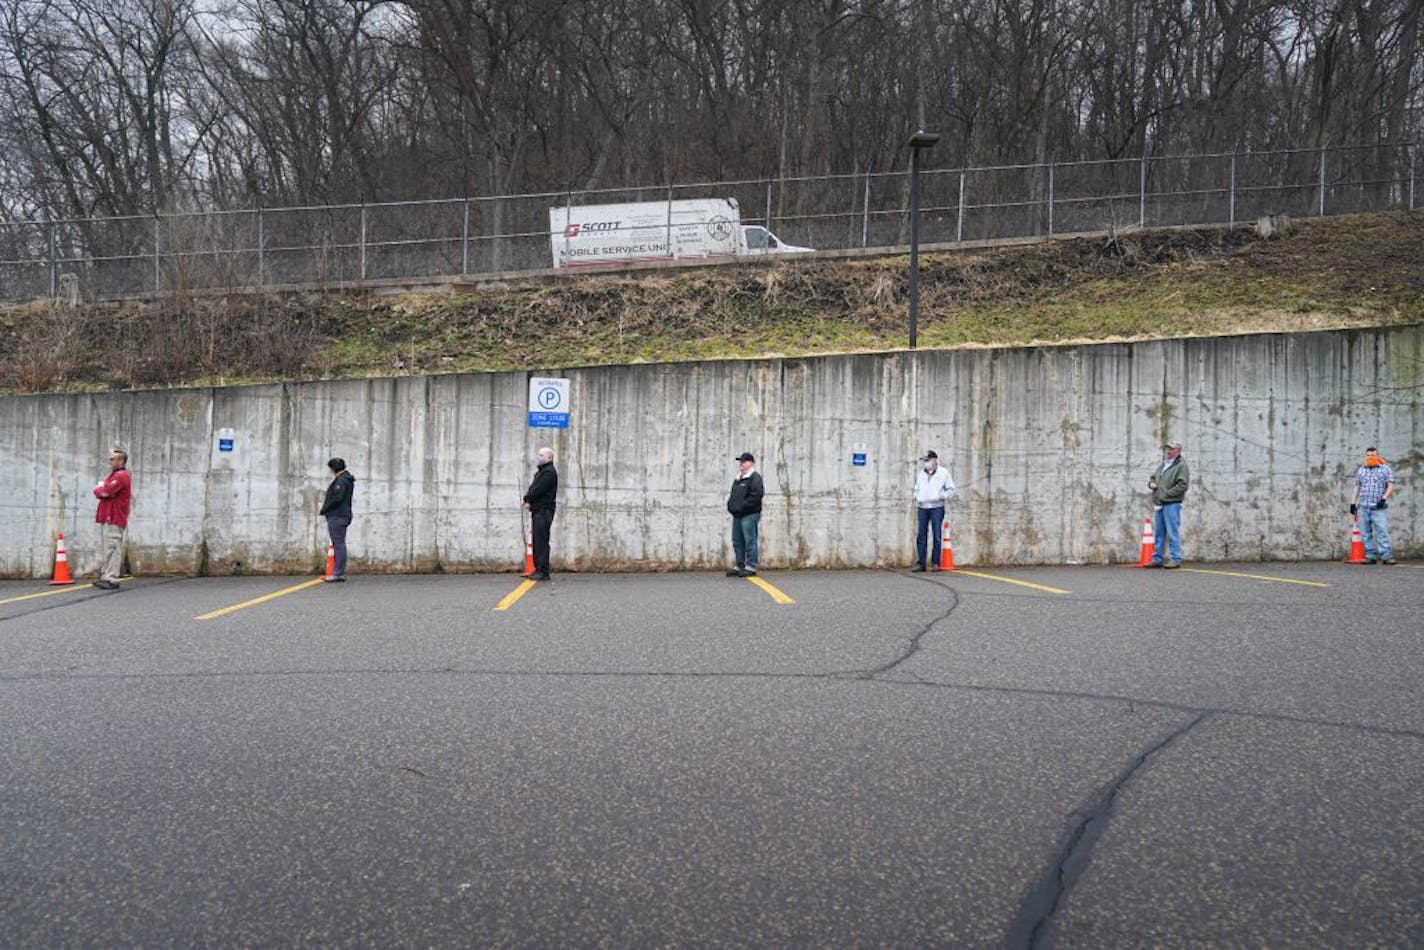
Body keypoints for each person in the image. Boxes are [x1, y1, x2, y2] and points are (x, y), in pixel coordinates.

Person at [91, 448, 131, 590]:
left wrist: (99, 489)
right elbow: (105, 490)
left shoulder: (121, 476)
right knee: (108, 547)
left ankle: (111, 578)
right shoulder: (115, 475)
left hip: (114, 517)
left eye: (113, 459)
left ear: (121, 460)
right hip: (109, 516)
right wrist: (101, 489)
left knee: (112, 548)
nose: (110, 461)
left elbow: (106, 491)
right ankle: (107, 575)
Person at [1350, 447, 1397, 565]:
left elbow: (1391, 485)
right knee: (1365, 533)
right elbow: (1357, 487)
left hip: (1378, 507)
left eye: (1373, 455)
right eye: (1368, 455)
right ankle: (1370, 556)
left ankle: (1387, 556)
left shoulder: (1385, 469)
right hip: (1363, 506)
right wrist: (1352, 503)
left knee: (1382, 531)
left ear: (1377, 456)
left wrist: (1384, 498)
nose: (1370, 457)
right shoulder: (1361, 470)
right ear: (1365, 457)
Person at [912, 450, 957, 571]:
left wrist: (942, 496)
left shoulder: (943, 473)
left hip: (937, 507)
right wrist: (916, 496)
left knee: (937, 534)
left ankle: (935, 563)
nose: (925, 463)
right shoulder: (921, 474)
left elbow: (951, 489)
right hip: (922, 507)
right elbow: (916, 488)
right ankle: (921, 563)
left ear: (934, 460)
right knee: (921, 535)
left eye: (927, 460)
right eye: (924, 461)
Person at [1147, 441, 1190, 568]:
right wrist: (1151, 484)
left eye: (1171, 449)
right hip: (1160, 503)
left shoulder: (1181, 466)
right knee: (1159, 533)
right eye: (1167, 449)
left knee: (1172, 532)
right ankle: (1157, 559)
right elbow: (1153, 478)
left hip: (1171, 503)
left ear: (1178, 451)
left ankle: (1175, 559)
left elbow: (1183, 485)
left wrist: (1166, 494)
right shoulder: (1163, 465)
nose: (1168, 451)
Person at [522, 447, 558, 580]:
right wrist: (529, 500)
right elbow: (535, 488)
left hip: (544, 511)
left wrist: (527, 498)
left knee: (541, 541)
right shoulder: (542, 472)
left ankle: (543, 572)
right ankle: (538, 569)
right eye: (539, 454)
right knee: (538, 540)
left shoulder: (549, 472)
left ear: (549, 458)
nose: (539, 457)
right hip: (539, 509)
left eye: (542, 455)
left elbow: (538, 489)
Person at [726, 452, 764, 577]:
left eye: (744, 461)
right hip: (737, 515)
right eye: (740, 461)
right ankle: (739, 566)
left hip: (750, 514)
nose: (741, 464)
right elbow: (733, 496)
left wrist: (741, 507)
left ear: (751, 463)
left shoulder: (755, 477)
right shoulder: (738, 478)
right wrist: (731, 506)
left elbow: (756, 496)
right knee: (737, 541)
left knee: (749, 540)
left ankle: (751, 566)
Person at [319, 458, 356, 582]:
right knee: (339, 544)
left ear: (333, 468)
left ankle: (337, 573)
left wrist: (326, 508)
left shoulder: (341, 480)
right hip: (343, 514)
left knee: (338, 544)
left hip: (337, 515)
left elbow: (338, 498)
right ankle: (338, 572)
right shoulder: (347, 479)